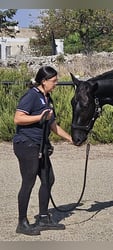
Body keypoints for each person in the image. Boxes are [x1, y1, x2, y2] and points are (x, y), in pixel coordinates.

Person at [13, 66, 73, 236]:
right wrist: (39, 117)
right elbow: (18, 118)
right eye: (53, 81)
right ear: (44, 81)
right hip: (27, 144)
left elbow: (52, 125)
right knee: (28, 182)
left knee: (48, 178)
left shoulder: (47, 98)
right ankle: (22, 223)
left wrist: (71, 139)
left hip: (41, 145)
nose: (56, 84)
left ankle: (44, 217)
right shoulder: (31, 96)